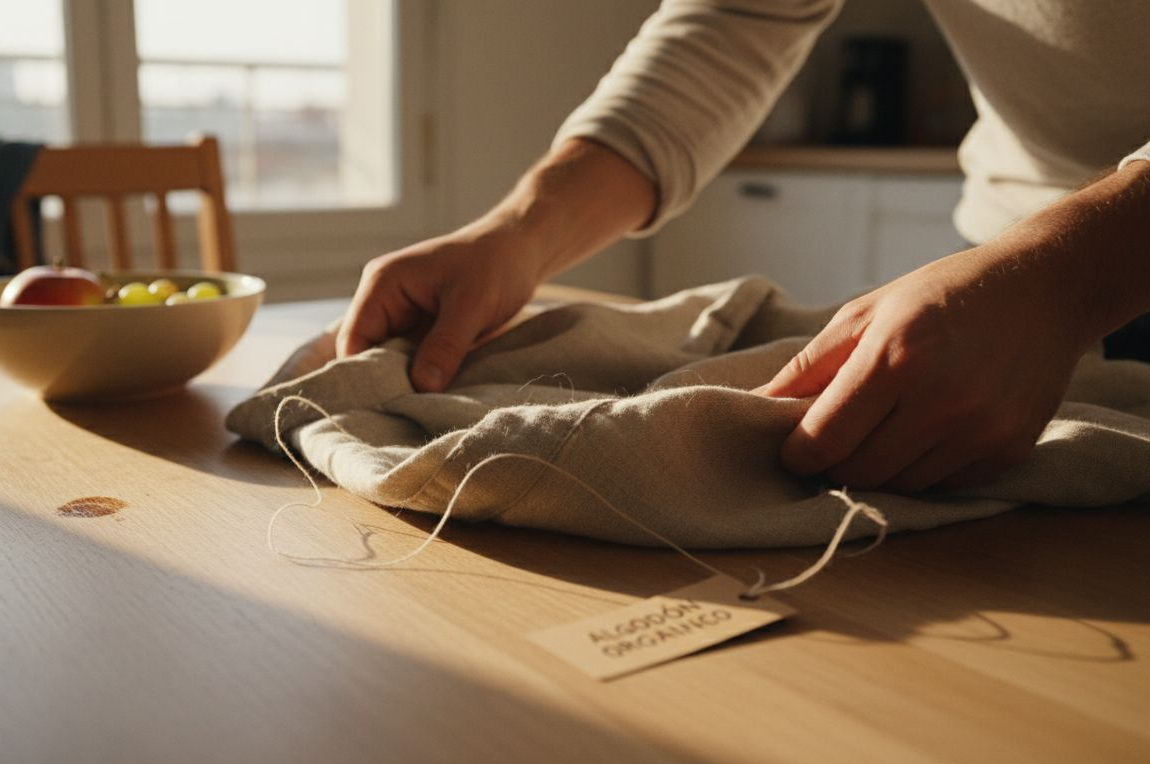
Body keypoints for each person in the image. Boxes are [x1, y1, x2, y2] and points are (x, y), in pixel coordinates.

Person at [337, 0, 1150, 493]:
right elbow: (731, 24)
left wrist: (1071, 273)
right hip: (1007, 269)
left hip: (1041, 274)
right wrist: (520, 232)